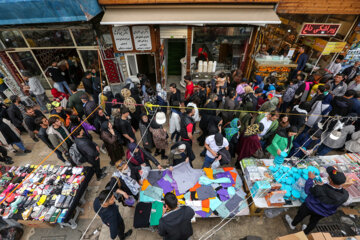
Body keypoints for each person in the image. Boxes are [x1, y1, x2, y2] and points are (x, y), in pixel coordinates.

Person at [285, 166, 349, 234]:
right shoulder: (345, 195)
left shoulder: (319, 189)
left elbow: (307, 190)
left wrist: (310, 179)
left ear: (330, 180)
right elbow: (332, 194)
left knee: (300, 215)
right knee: (314, 222)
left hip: (310, 206)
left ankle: (293, 225)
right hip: (323, 212)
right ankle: (306, 232)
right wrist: (324, 186)